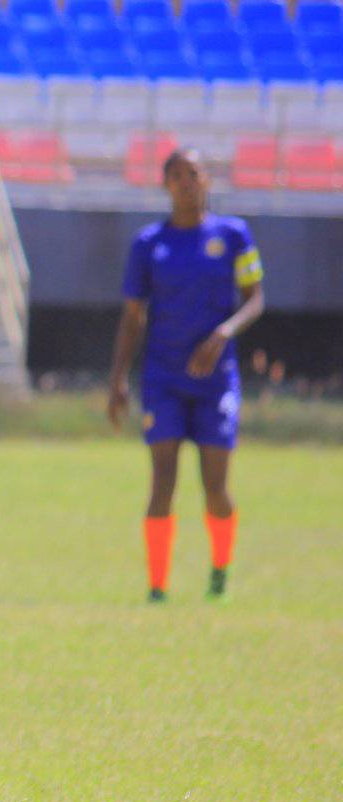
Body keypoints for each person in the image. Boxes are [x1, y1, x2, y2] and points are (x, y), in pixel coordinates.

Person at [108, 148, 264, 602]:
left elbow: (255, 298)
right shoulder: (148, 243)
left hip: (216, 382)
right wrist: (118, 377)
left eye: (192, 173)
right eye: (175, 175)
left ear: (207, 179)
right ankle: (157, 587)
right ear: (164, 184)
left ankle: (220, 569)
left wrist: (224, 331)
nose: (184, 182)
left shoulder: (234, 235)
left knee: (216, 489)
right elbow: (133, 315)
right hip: (163, 377)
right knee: (162, 483)